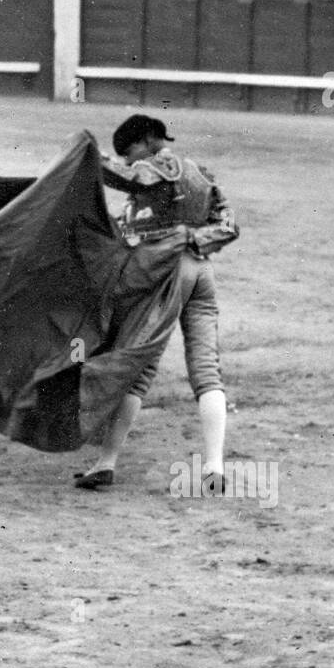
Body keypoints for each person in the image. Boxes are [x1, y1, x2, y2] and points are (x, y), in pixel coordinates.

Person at [76, 114, 240, 492]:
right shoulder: (202, 174)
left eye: (132, 153)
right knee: (205, 369)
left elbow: (132, 177)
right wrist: (197, 241)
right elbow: (229, 225)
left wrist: (92, 156)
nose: (132, 162)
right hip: (202, 273)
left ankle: (107, 462)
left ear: (151, 140)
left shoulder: (160, 166)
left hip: (167, 274)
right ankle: (214, 466)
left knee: (138, 367)